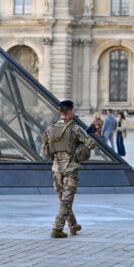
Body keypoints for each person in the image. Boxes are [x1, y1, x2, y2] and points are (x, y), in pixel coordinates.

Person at [41, 100, 97, 238]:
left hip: (56, 169)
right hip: (71, 169)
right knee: (66, 201)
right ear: (70, 111)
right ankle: (56, 229)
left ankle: (73, 226)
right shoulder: (74, 128)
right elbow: (91, 144)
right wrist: (79, 149)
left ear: (60, 112)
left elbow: (44, 151)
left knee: (64, 200)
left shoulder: (50, 129)